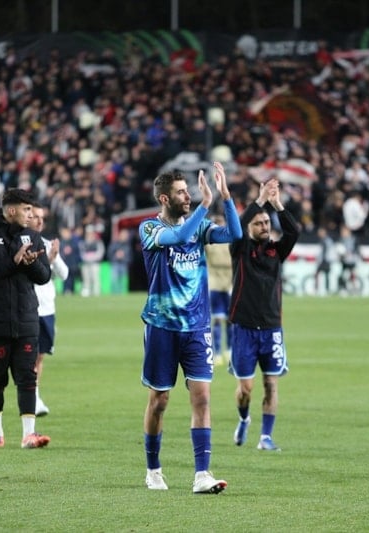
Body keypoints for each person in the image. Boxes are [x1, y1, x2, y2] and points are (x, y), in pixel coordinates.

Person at [139, 162, 241, 493]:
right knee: (160, 400)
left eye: (189, 191)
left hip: (197, 327)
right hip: (162, 326)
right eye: (182, 192)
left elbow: (235, 235)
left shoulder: (199, 226)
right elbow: (180, 236)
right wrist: (206, 205)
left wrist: (226, 197)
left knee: (202, 397)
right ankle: (153, 469)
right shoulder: (149, 229)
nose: (189, 196)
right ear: (164, 199)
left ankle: (202, 474)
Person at [0, 188, 52, 449]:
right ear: (12, 210)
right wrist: (13, 263)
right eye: (27, 210)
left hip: (26, 319)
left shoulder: (33, 237)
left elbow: (44, 276)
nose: (31, 215)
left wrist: (31, 263)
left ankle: (29, 435)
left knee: (27, 377)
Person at [228, 178, 300, 452]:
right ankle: (244, 419)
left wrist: (277, 204)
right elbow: (238, 223)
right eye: (258, 223)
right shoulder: (239, 247)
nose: (264, 226)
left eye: (267, 223)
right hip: (244, 328)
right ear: (249, 227)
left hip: (271, 328)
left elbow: (293, 231)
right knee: (245, 389)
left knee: (271, 384)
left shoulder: (276, 251)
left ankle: (265, 437)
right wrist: (259, 200)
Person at [31, 204, 69, 417]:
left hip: (47, 310)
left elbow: (64, 274)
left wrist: (54, 257)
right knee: (28, 356)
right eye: (35, 216)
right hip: (27, 310)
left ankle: (34, 396)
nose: (39, 221)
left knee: (39, 357)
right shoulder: (19, 244)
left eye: (41, 217)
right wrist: (49, 260)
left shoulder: (46, 244)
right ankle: (32, 398)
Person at [205, 214, 232, 366]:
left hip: (229, 283)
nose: (219, 225)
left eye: (221, 222)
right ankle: (217, 353)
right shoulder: (210, 242)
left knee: (230, 319)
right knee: (216, 319)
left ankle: (229, 350)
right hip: (214, 282)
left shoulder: (231, 240)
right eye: (216, 222)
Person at [107, 228, 132, 295]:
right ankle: (114, 293)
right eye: (124, 235)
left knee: (123, 280)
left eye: (126, 235)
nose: (125, 237)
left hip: (124, 264)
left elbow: (130, 256)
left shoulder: (128, 245)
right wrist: (116, 255)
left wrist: (124, 256)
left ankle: (122, 293)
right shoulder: (114, 243)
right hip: (115, 263)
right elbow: (109, 253)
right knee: (114, 279)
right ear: (120, 235)